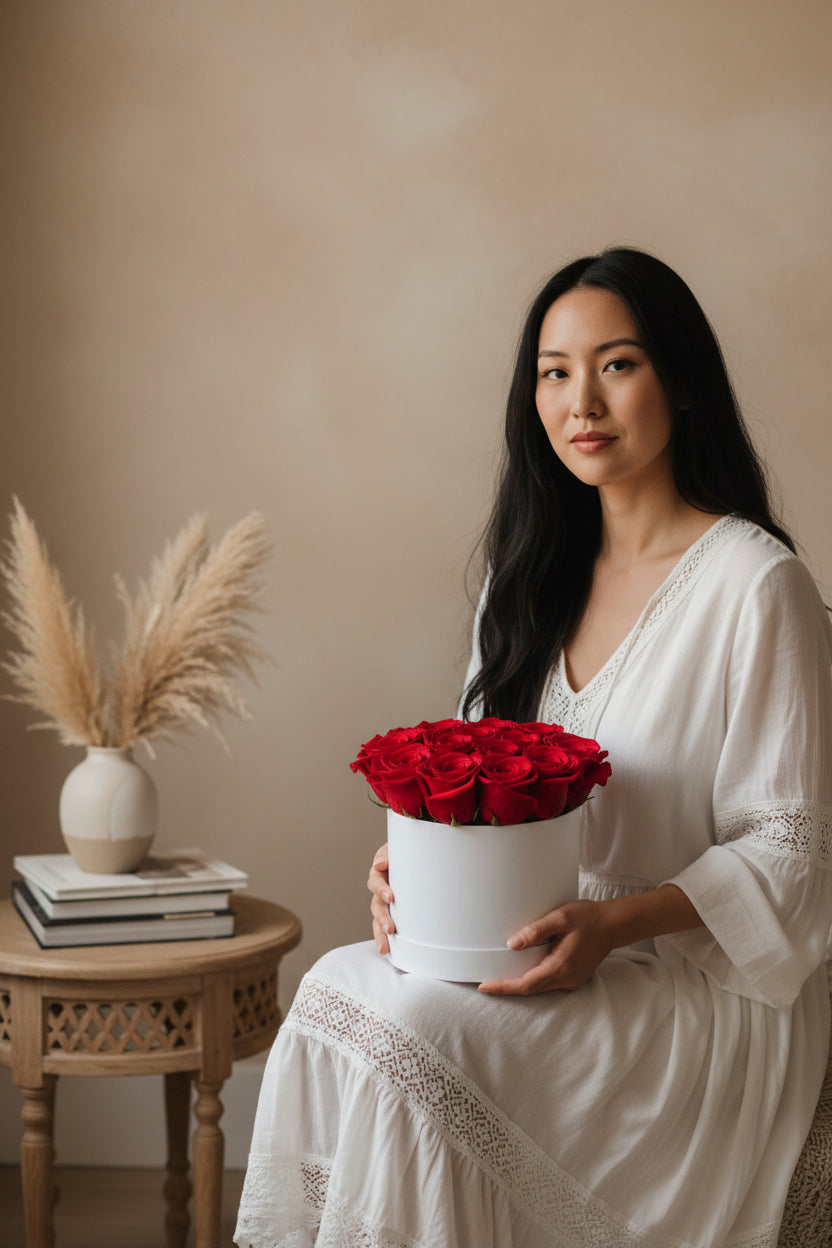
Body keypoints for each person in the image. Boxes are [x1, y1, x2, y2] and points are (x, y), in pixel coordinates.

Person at [235, 248, 832, 1248]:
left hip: (692, 982)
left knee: (414, 1033)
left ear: (681, 384)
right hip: (530, 954)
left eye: (617, 363)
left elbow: (792, 853)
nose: (580, 400)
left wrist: (610, 926)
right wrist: (412, 866)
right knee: (335, 990)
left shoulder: (755, 585)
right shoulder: (531, 581)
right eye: (553, 371)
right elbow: (475, 786)